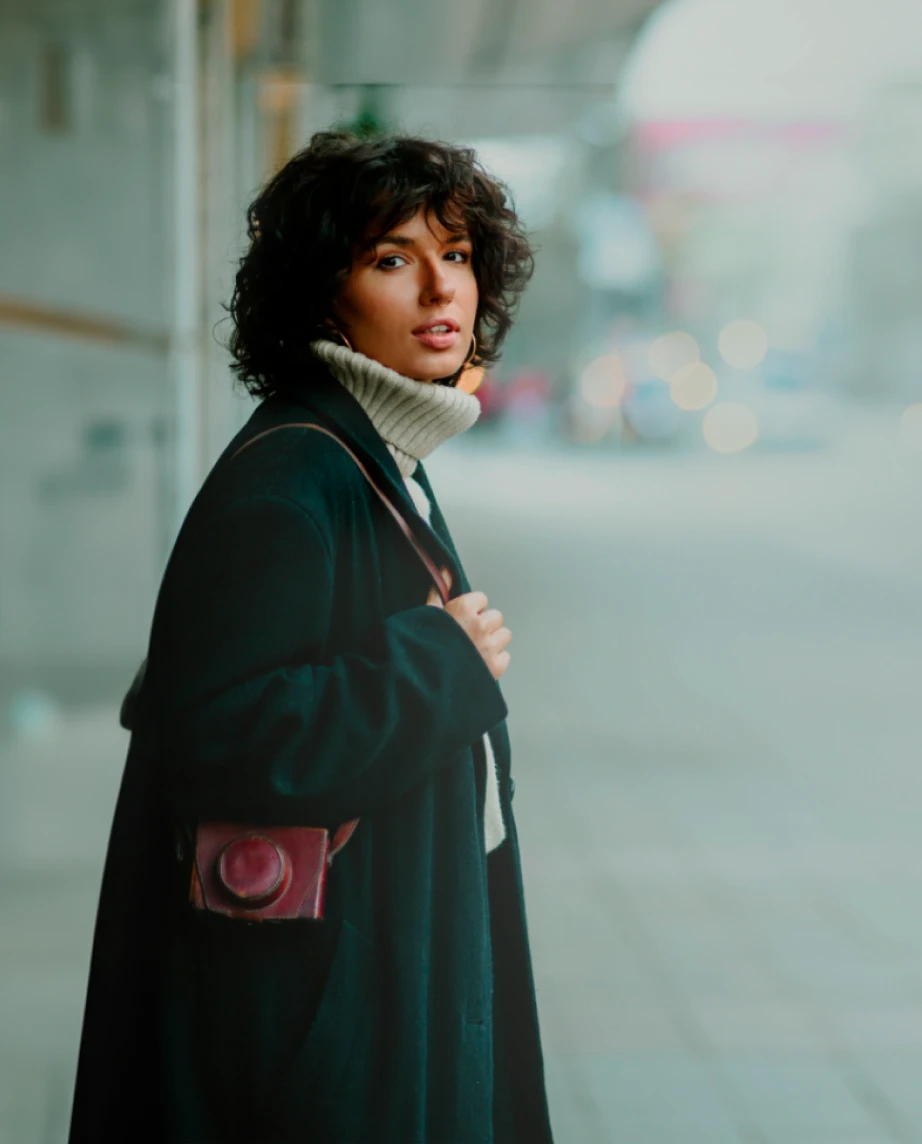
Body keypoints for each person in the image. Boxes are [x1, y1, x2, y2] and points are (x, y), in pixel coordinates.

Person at [69, 130, 552, 1144]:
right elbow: (221, 736)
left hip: (369, 979)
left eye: (456, 256)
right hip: (322, 1026)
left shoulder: (376, 458)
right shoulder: (293, 481)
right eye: (392, 259)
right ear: (320, 293)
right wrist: (438, 664)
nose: (439, 292)